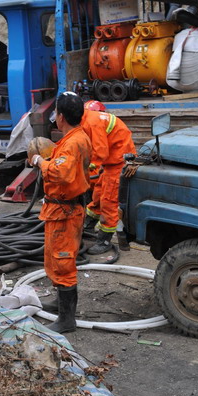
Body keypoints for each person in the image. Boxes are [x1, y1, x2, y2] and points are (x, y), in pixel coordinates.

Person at [29, 91, 91, 334]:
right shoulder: (75, 137)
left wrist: (39, 162)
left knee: (63, 262)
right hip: (60, 209)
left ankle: (67, 319)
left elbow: (60, 173)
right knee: (55, 258)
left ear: (61, 116)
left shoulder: (73, 142)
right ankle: (60, 304)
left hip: (66, 211)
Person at [81, 102, 136, 254]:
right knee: (98, 194)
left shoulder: (92, 123)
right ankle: (88, 226)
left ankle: (104, 240)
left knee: (109, 202)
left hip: (117, 164)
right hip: (110, 163)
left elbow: (99, 153)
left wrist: (87, 172)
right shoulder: (92, 119)